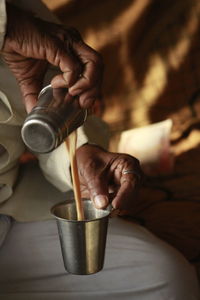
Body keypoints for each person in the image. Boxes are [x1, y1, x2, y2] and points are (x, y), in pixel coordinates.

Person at [0, 1, 199, 300]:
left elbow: (48, 102)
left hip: (8, 211)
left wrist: (78, 154)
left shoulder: (22, 17)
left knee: (165, 279)